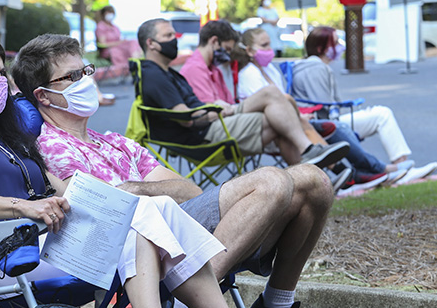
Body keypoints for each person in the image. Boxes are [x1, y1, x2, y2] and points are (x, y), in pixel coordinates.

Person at [0, 30, 289, 308]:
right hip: (8, 260)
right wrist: (26, 206)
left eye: (2, 72)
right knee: (141, 210)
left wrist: (97, 202)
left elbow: (65, 189)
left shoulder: (11, 139)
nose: (0, 81)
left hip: (52, 244)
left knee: (149, 205)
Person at [12, 33, 334, 308]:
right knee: (272, 180)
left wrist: (138, 187)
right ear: (45, 96)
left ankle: (275, 305)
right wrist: (143, 190)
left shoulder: (115, 143)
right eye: (74, 76)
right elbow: (99, 207)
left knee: (315, 181)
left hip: (176, 225)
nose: (88, 81)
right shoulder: (48, 147)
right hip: (141, 244)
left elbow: (187, 190)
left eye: (88, 71)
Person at [139, 18, 348, 168]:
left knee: (277, 110)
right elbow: (187, 118)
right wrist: (219, 110)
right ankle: (315, 159)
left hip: (214, 124)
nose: (174, 39)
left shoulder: (167, 73)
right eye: (168, 35)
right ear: (151, 44)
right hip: (205, 133)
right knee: (272, 96)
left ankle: (313, 176)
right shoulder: (155, 75)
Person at [234, 28, 409, 192]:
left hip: (289, 122)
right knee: (331, 127)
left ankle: (354, 174)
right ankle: (362, 172)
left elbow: (285, 102)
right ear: (249, 50)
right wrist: (300, 113)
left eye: (270, 44)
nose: (270, 49)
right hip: (270, 127)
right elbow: (274, 104)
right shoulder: (249, 75)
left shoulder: (270, 69)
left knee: (319, 125)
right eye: (264, 46)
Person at [291, 26, 437, 184]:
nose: (340, 45)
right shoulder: (315, 68)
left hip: (330, 119)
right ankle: (400, 169)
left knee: (381, 114)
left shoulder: (315, 65)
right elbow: (323, 105)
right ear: (320, 48)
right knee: (381, 114)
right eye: (335, 42)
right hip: (326, 123)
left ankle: (401, 168)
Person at [95, 5, 141, 78]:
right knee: (120, 50)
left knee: (133, 42)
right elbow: (102, 44)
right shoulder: (101, 26)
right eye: (108, 13)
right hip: (108, 50)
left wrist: (122, 42)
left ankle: (135, 62)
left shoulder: (115, 27)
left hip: (118, 47)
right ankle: (132, 66)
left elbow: (119, 39)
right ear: (103, 14)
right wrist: (119, 43)